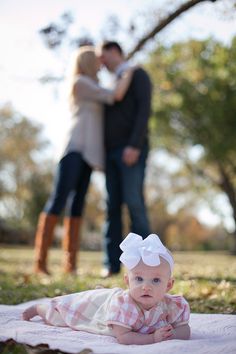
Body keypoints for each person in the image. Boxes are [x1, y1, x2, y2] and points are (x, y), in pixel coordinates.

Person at [33, 45, 135, 275]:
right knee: (58, 201)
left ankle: (70, 265)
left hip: (89, 153)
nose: (100, 64)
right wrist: (128, 72)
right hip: (74, 149)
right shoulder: (81, 82)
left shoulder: (93, 84)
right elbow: (115, 95)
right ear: (87, 62)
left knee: (77, 205)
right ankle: (40, 262)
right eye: (96, 60)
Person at [22, 233, 191, 345]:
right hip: (99, 307)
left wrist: (171, 335)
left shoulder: (171, 305)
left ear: (168, 285)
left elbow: (185, 330)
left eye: (155, 280)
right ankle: (40, 308)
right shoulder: (124, 306)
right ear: (127, 281)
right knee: (62, 314)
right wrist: (153, 338)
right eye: (138, 279)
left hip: (109, 300)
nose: (145, 286)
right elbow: (124, 337)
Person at [97, 41, 152, 277]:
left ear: (115, 51)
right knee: (112, 207)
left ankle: (147, 263)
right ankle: (111, 263)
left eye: (103, 56)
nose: (102, 62)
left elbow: (144, 110)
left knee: (134, 203)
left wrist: (134, 145)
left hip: (131, 150)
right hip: (110, 153)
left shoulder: (138, 74)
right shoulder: (111, 85)